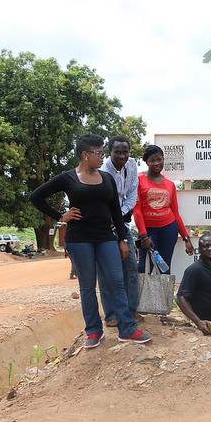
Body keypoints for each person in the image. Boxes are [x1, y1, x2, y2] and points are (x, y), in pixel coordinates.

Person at [29, 133, 152, 348]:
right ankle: (94, 331)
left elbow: (115, 209)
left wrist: (122, 240)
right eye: (99, 153)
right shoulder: (68, 178)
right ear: (85, 155)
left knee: (117, 282)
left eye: (103, 153)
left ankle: (127, 329)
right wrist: (60, 217)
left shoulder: (107, 178)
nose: (102, 158)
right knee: (87, 286)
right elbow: (36, 196)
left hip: (106, 236)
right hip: (79, 239)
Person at [96, 135, 140, 327]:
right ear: (109, 152)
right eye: (117, 152)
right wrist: (111, 217)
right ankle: (111, 315)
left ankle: (130, 312)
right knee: (106, 271)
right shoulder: (102, 170)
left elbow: (133, 196)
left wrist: (118, 215)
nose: (122, 156)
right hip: (103, 225)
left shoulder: (132, 166)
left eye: (125, 152)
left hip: (122, 224)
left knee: (130, 267)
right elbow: (101, 199)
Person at [133, 145, 194, 274]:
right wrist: (144, 237)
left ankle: (163, 295)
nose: (156, 163)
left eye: (159, 159)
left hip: (168, 229)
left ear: (163, 160)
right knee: (143, 268)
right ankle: (142, 295)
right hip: (148, 231)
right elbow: (137, 210)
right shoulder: (138, 180)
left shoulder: (170, 184)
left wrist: (186, 238)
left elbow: (175, 213)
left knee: (164, 268)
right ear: (146, 162)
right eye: (152, 161)